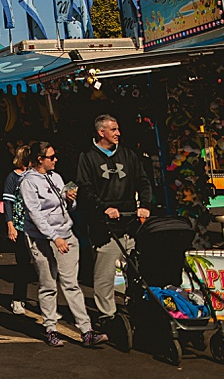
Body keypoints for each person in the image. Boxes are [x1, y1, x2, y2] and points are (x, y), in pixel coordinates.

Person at [20, 141, 107, 349]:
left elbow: (66, 206)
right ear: (40, 159)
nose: (55, 160)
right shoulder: (28, 182)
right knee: (48, 284)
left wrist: (70, 199)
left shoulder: (56, 177)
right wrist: (53, 237)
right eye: (51, 157)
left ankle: (86, 330)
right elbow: (36, 215)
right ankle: (51, 329)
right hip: (42, 239)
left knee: (71, 283)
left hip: (65, 234)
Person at [74, 115, 152, 322]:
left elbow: (143, 181)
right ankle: (107, 315)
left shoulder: (128, 155)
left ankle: (137, 305)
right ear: (101, 132)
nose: (118, 133)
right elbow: (85, 189)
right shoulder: (88, 157)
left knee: (137, 271)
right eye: (114, 130)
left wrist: (144, 205)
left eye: (118, 129)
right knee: (105, 275)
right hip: (105, 227)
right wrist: (103, 208)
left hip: (131, 223)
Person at [1, 145, 34, 316]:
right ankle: (18, 299)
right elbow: (8, 203)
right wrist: (10, 225)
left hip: (37, 226)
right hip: (21, 225)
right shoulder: (13, 177)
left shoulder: (37, 176)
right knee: (23, 264)